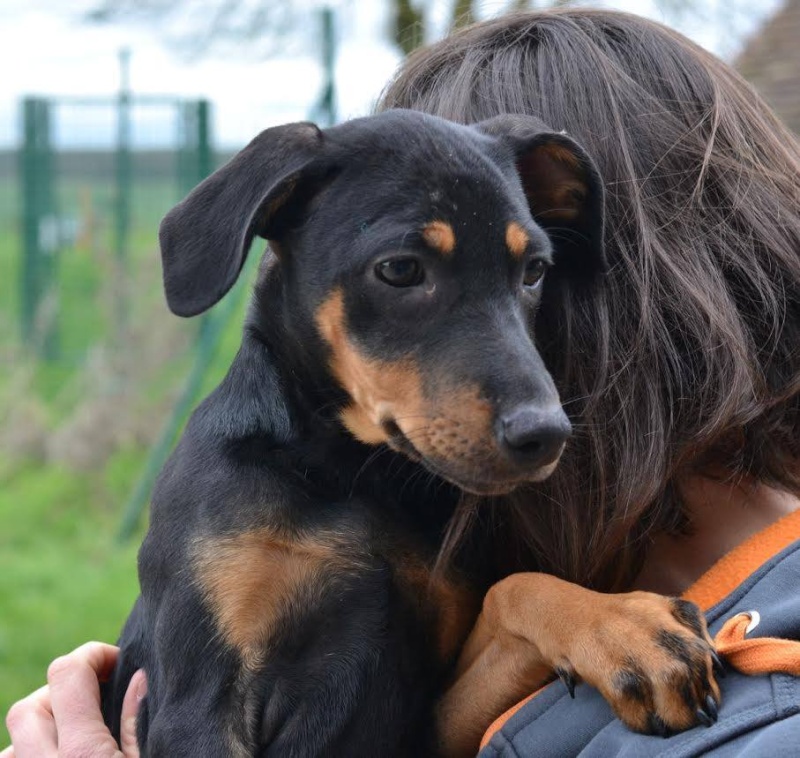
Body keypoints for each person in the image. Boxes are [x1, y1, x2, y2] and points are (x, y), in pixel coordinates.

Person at [5, 8, 799, 756]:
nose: (534, 398)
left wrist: (533, 611)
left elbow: (431, 731)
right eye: (401, 271)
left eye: (529, 277)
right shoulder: (234, 496)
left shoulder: (453, 510)